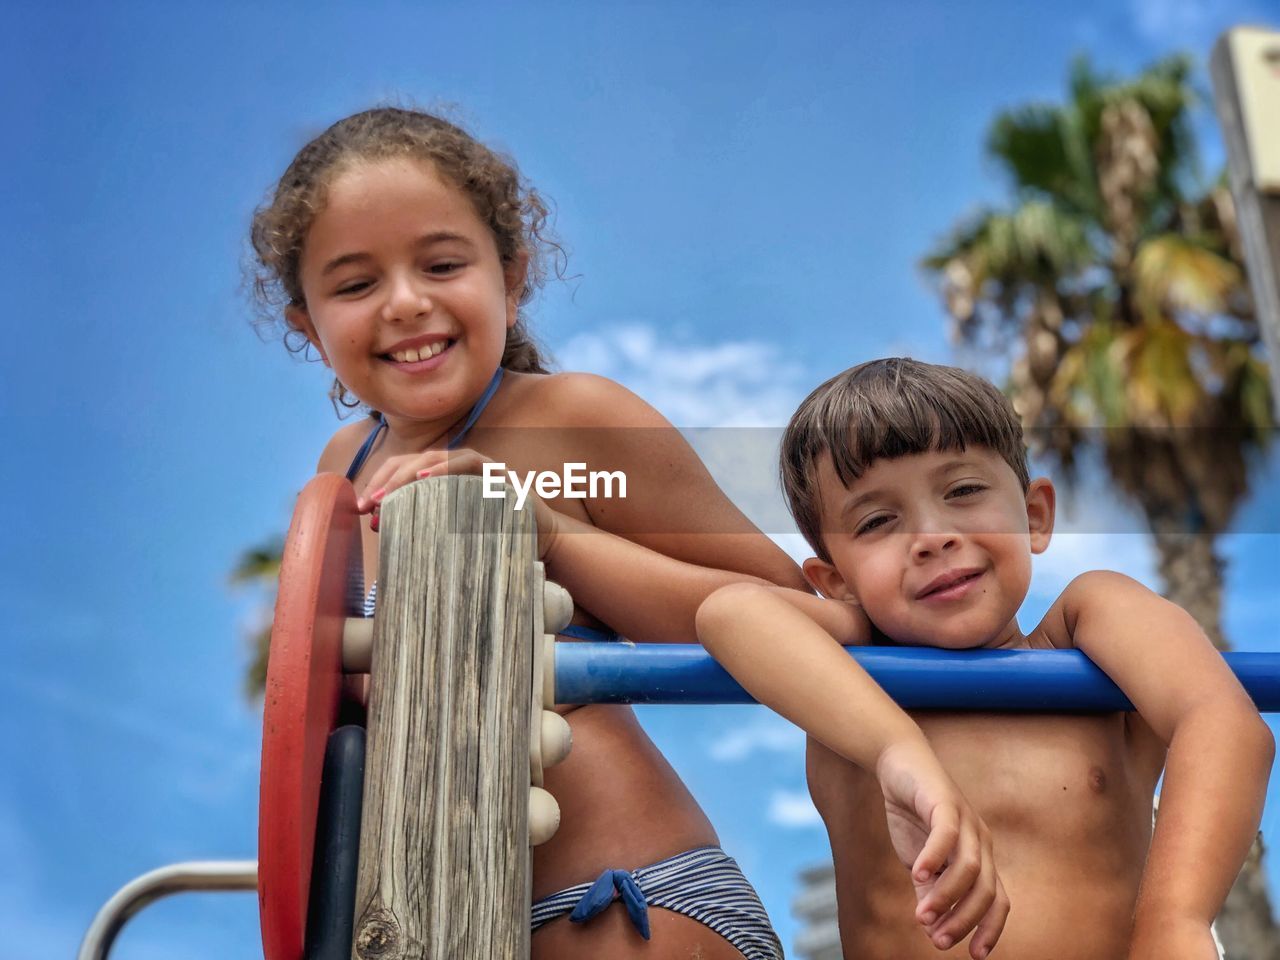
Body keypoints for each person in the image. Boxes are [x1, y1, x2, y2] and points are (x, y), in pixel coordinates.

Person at [249, 109, 1009, 959]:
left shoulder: (571, 425)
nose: (406, 302)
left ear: (512, 273)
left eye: (442, 263)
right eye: (355, 286)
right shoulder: (342, 470)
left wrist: (550, 534)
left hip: (631, 906)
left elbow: (808, 614)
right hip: (439, 921)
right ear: (307, 325)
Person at [697, 357, 1274, 960]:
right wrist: (898, 751)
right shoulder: (852, 671)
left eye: (964, 491)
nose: (931, 536)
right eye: (876, 521)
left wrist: (1174, 924)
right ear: (836, 579)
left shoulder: (1087, 625)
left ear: (1034, 515)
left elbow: (1223, 721)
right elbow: (730, 613)